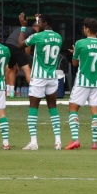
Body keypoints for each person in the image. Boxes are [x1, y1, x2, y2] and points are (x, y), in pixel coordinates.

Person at [18, 13, 63, 150]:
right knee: (53, 107)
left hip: (38, 77)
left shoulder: (37, 36)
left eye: (40, 22)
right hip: (52, 76)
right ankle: (58, 141)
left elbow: (21, 45)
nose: (38, 24)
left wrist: (23, 27)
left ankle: (33, 142)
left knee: (33, 107)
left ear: (45, 23)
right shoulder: (58, 37)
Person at [65, 18, 97, 150]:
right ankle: (94, 143)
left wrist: (76, 55)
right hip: (96, 81)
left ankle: (75, 140)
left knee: (73, 109)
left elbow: (74, 63)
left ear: (87, 29)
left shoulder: (80, 43)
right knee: (95, 112)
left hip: (83, 80)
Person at [4, 23, 31, 97]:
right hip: (16, 47)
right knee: (27, 69)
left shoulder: (21, 29)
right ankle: (35, 90)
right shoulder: (32, 32)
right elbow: (27, 51)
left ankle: (10, 91)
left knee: (10, 67)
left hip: (8, 44)